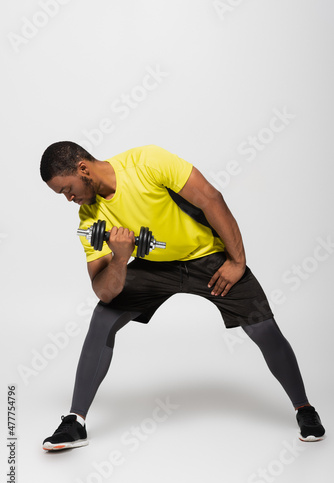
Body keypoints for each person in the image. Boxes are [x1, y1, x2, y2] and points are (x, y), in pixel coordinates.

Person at [40, 141, 325, 450]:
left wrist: (236, 262)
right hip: (155, 268)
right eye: (63, 195)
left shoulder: (147, 161)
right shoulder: (89, 217)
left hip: (208, 257)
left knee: (263, 326)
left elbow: (210, 198)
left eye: (67, 190)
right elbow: (104, 292)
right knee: (103, 318)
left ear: (83, 169)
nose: (69, 199)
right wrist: (120, 259)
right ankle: (75, 422)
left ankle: (304, 409)